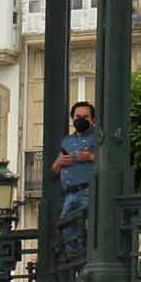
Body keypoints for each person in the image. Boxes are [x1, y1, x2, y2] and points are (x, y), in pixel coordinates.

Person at [50, 100, 98, 268]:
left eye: (85, 116)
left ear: (93, 119)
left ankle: (88, 266)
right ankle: (80, 266)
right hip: (69, 193)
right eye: (78, 116)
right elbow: (54, 170)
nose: (81, 119)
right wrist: (58, 163)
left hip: (88, 191)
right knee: (65, 229)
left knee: (86, 229)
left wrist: (91, 157)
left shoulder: (99, 137)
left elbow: (111, 161)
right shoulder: (66, 141)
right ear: (72, 118)